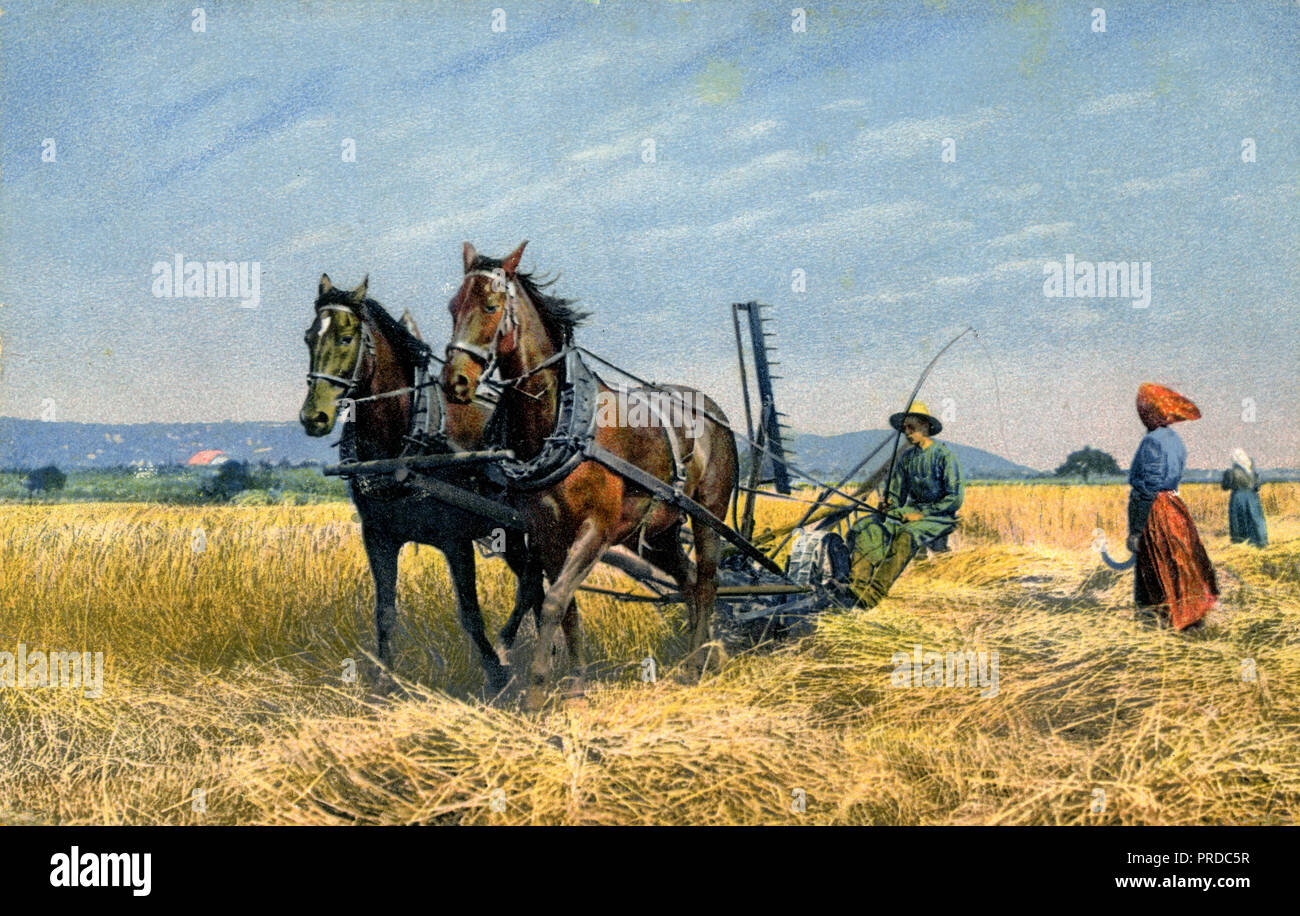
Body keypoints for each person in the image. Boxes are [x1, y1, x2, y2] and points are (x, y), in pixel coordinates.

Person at [848, 401, 963, 610]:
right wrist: (888, 504)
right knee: (866, 528)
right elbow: (895, 494)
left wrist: (922, 514)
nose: (906, 432)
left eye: (911, 427)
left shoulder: (944, 457)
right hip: (909, 513)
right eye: (904, 428)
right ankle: (856, 588)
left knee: (907, 534)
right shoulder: (906, 459)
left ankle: (872, 596)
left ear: (925, 426)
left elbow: (954, 499)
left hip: (939, 516)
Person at [1127, 383, 1218, 630]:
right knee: (1180, 562)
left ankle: (1163, 624)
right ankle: (1190, 616)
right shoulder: (1174, 440)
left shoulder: (1151, 442)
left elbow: (1148, 487)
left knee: (1157, 566)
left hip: (1155, 511)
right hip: (1175, 507)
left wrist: (1135, 530)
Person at [1221, 448, 1268, 547]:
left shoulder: (1231, 472)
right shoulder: (1253, 472)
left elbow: (1225, 486)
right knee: (1256, 518)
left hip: (1238, 497)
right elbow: (1257, 486)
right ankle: (1260, 541)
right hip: (1253, 497)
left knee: (1239, 519)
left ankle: (1241, 542)